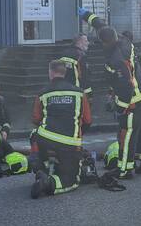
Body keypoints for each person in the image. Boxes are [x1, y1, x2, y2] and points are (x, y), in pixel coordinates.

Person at [81, 9, 141, 179]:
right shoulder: (122, 39)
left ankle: (124, 169)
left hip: (133, 99)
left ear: (105, 43)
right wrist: (87, 15)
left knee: (127, 133)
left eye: (101, 43)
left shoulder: (117, 59)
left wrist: (121, 107)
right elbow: (101, 25)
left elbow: (125, 85)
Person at [29, 59, 93, 198]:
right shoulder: (79, 93)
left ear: (50, 72)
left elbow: (35, 119)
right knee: (72, 180)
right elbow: (88, 120)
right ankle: (48, 183)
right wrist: (78, 134)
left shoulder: (42, 93)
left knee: (34, 135)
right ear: (64, 72)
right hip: (69, 144)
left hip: (45, 139)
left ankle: (41, 168)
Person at [60, 33, 92, 98]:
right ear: (79, 42)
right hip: (78, 92)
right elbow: (84, 76)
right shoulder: (81, 56)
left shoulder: (64, 54)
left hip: (64, 91)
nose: (88, 43)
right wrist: (89, 95)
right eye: (86, 41)